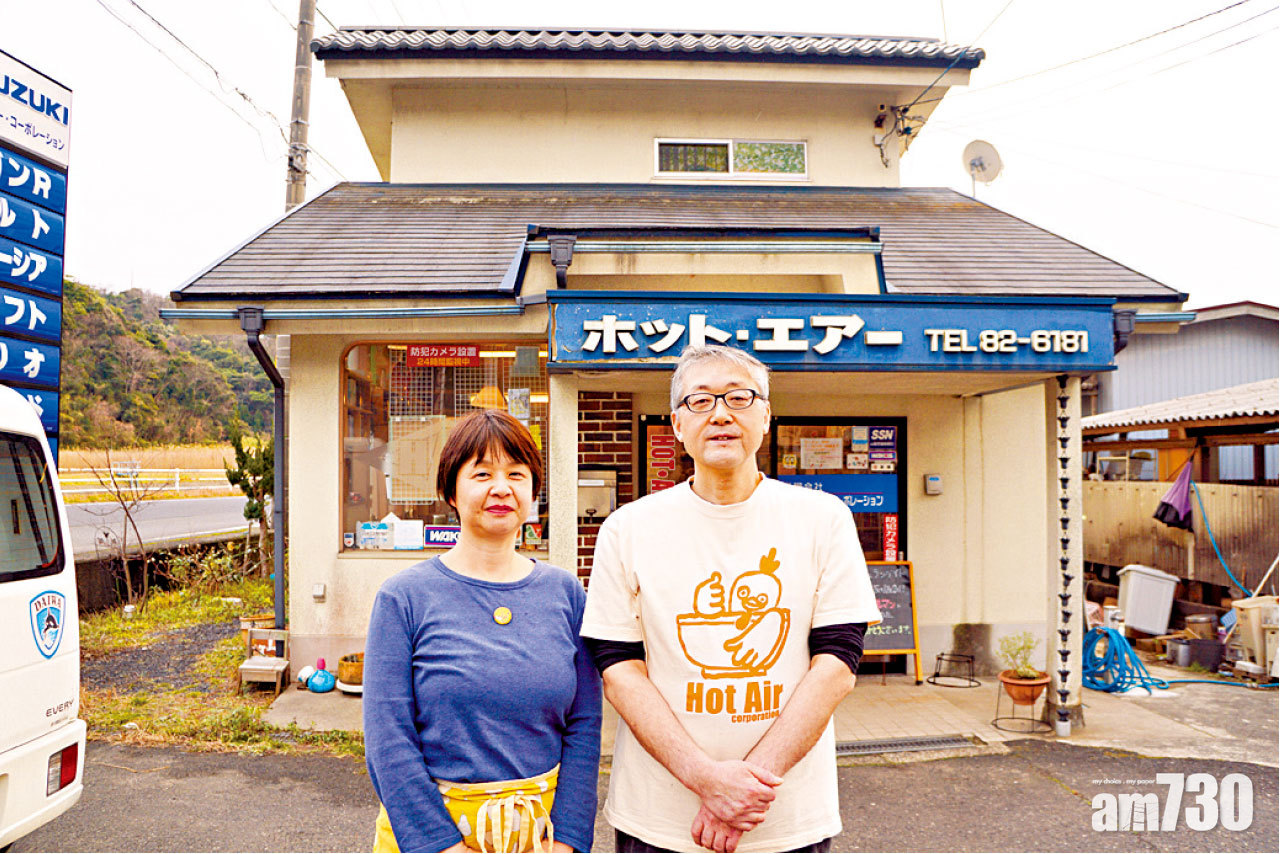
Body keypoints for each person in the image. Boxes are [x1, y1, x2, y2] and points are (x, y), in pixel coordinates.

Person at [582, 345, 882, 853]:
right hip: (658, 817)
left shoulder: (822, 518)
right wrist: (706, 779)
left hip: (784, 817)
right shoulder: (628, 528)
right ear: (677, 424)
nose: (720, 414)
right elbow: (618, 669)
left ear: (765, 416)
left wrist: (743, 789)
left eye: (739, 398)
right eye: (700, 401)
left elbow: (837, 664)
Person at [363, 409, 601, 853]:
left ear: (533, 490)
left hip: (541, 836)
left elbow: (585, 727)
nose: (501, 488)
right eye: (482, 473)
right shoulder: (403, 598)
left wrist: (568, 841)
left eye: (516, 474)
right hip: (432, 837)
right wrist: (442, 847)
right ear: (450, 491)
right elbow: (388, 740)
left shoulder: (567, 594)